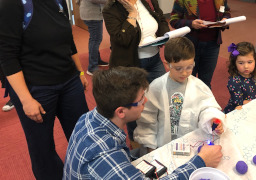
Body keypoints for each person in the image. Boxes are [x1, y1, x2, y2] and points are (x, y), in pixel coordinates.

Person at [63, 67, 223, 179]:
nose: (146, 100)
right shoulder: (104, 155)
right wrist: (200, 162)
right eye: (140, 100)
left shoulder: (90, 117)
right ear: (121, 111)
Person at [0, 0, 89, 179]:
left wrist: (79, 71)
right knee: (43, 149)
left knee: (83, 135)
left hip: (69, 80)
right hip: (35, 88)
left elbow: (68, 41)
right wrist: (25, 99)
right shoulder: (12, 4)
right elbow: (7, 56)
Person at [134, 37, 225, 153]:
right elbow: (147, 120)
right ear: (167, 65)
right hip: (163, 145)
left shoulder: (198, 86)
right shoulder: (156, 88)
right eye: (178, 68)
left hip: (190, 143)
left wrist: (211, 119)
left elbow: (207, 107)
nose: (184, 73)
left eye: (189, 67)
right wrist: (151, 147)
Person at [102, 0, 170, 142]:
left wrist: (165, 36)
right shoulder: (111, 9)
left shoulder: (148, 1)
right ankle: (136, 142)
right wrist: (132, 14)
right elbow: (123, 39)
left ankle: (160, 135)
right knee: (132, 106)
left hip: (154, 58)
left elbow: (161, 18)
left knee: (163, 96)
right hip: (130, 64)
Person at [170, 0, 231, 88]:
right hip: (190, 47)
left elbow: (226, 12)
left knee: (206, 82)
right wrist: (191, 23)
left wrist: (225, 19)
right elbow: (174, 20)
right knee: (188, 81)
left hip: (212, 45)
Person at [224, 42, 256, 113]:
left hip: (251, 107)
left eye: (250, 62)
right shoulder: (234, 81)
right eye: (241, 63)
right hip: (237, 111)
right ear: (234, 63)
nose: (246, 66)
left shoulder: (253, 76)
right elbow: (238, 102)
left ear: (255, 61)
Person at [77, 0, 109, 76]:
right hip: (92, 15)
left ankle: (96, 60)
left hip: (92, 14)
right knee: (95, 40)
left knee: (95, 39)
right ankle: (92, 67)